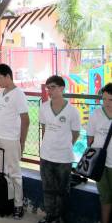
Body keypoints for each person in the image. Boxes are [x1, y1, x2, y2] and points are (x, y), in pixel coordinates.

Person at [39, 75, 81, 223]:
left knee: (63, 191)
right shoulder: (43, 107)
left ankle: (61, 218)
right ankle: (50, 216)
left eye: (53, 87)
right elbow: (44, 129)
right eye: (47, 88)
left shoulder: (72, 111)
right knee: (48, 189)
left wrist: (64, 145)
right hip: (46, 156)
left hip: (64, 158)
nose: (49, 91)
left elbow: (76, 133)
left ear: (62, 88)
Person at [0, 64, 30, 219]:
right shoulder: (1, 92)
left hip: (11, 139)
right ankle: (1, 201)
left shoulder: (19, 94)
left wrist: (22, 142)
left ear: (8, 76)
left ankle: (18, 205)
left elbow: (26, 120)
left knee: (14, 173)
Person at [87, 83, 112, 223]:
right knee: (104, 196)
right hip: (99, 164)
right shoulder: (96, 114)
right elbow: (90, 139)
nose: (107, 103)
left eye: (111, 100)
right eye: (104, 99)